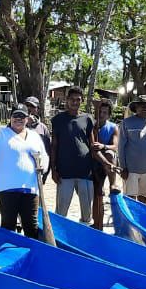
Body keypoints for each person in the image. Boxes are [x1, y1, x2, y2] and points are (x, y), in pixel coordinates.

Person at [0, 104, 49, 238]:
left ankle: (32, 255)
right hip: (7, 189)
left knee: (31, 226)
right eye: (15, 116)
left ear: (27, 118)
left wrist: (43, 168)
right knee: (8, 225)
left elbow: (44, 156)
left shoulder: (34, 136)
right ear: (10, 117)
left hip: (30, 188)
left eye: (22, 116)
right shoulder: (0, 134)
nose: (18, 119)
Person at [50, 87, 95, 225]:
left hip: (85, 172)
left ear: (81, 101)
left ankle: (84, 239)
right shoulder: (58, 120)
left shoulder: (88, 119)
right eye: (72, 99)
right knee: (61, 212)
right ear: (67, 100)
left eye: (78, 100)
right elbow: (54, 146)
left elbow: (92, 144)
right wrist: (53, 169)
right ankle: (58, 239)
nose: (75, 102)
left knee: (87, 214)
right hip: (65, 172)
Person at [117, 95, 146, 205]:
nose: (145, 108)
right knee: (130, 198)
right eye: (142, 105)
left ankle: (141, 220)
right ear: (136, 107)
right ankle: (131, 220)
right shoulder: (126, 123)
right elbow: (121, 147)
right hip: (131, 170)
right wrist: (123, 167)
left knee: (144, 197)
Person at [89, 98, 119, 229]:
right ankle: (97, 224)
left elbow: (115, 146)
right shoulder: (92, 126)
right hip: (93, 162)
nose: (102, 115)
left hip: (107, 161)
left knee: (110, 154)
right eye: (100, 112)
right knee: (97, 193)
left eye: (105, 112)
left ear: (109, 114)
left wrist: (104, 146)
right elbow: (92, 147)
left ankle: (113, 183)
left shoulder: (113, 127)